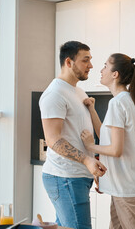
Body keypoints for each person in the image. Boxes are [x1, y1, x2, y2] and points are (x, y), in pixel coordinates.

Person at [39, 41, 107, 229]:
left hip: (76, 178)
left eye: (90, 60)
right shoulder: (54, 94)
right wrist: (87, 161)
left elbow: (77, 135)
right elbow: (53, 140)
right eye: (86, 60)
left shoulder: (78, 91)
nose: (91, 65)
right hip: (64, 178)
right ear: (68, 62)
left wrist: (90, 165)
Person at [80, 53, 135, 229]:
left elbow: (116, 149)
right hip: (124, 186)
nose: (100, 70)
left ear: (115, 74)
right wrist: (92, 110)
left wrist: (89, 146)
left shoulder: (118, 103)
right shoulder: (126, 100)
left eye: (105, 66)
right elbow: (106, 135)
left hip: (126, 188)